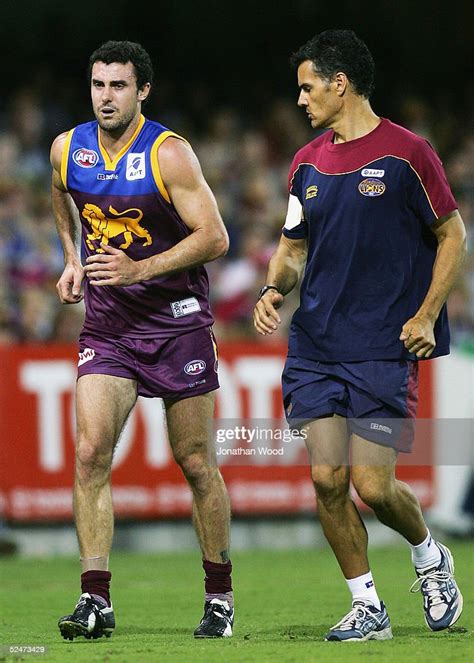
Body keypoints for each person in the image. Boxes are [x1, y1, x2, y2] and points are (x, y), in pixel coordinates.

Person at [254, 29, 466, 642]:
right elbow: (293, 247)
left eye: (306, 87)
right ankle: (366, 604)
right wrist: (275, 288)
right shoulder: (306, 162)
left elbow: (453, 236)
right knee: (326, 480)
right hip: (317, 343)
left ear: (338, 84)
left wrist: (426, 314)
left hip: (383, 344)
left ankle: (429, 555)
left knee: (373, 486)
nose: (300, 100)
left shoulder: (408, 154)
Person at [51, 40, 234, 640]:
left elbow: (214, 237)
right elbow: (62, 196)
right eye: (99, 84)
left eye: (119, 86)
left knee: (197, 463)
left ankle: (219, 597)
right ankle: (95, 601)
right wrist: (72, 257)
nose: (106, 96)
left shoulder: (169, 153)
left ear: (142, 91)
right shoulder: (67, 148)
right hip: (109, 328)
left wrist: (139, 269)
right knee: (88, 453)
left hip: (178, 324)